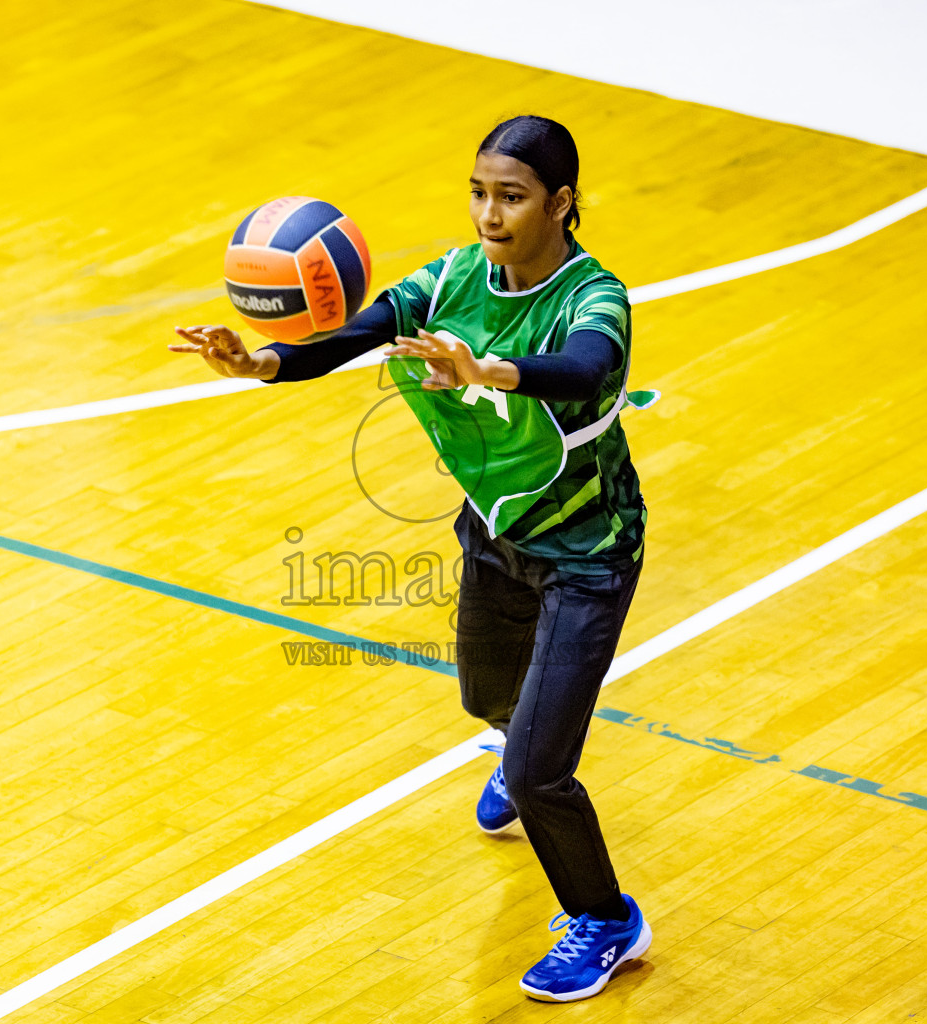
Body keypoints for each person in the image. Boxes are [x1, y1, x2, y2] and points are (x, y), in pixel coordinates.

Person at [171, 114, 652, 1002]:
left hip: (590, 554)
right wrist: (262, 362)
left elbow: (584, 368)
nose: (488, 215)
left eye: (511, 197)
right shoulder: (455, 277)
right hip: (496, 539)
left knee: (545, 771)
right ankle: (517, 744)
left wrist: (491, 371)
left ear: (562, 203)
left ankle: (605, 921)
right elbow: (362, 332)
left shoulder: (595, 298)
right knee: (485, 698)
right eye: (479, 192)